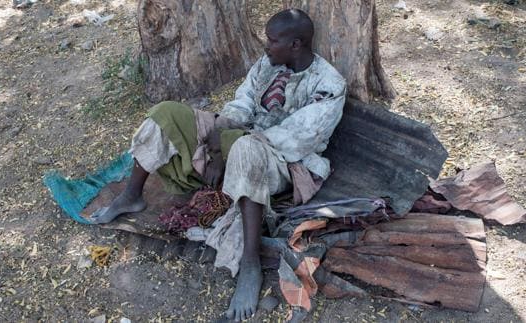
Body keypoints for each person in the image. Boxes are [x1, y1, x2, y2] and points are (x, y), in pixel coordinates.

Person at [90, 8, 346, 321]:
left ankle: (249, 263)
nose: (265, 46)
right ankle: (131, 195)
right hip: (239, 138)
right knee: (165, 113)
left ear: (296, 44)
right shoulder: (267, 65)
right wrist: (220, 131)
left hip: (282, 161)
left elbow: (297, 138)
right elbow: (242, 102)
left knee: (246, 148)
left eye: (272, 41)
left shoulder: (329, 84)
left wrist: (225, 145)